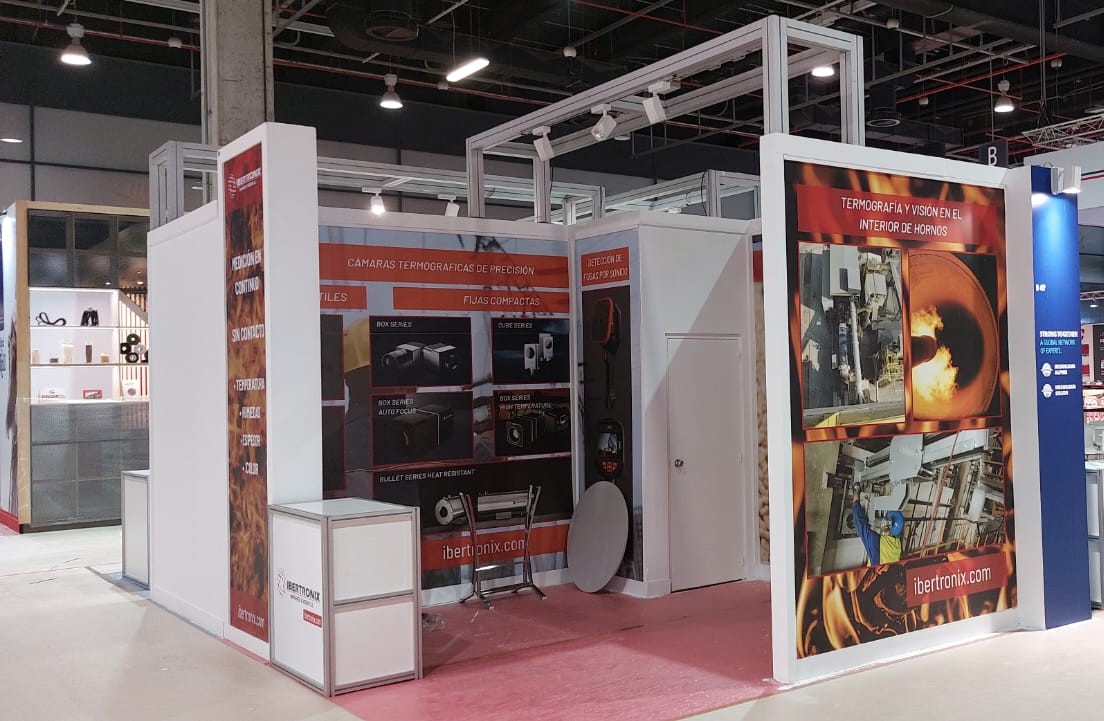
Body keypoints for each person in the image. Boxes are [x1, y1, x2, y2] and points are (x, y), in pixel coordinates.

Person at [852, 493, 904, 566]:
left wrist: (856, 497)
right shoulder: (897, 545)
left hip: (876, 569)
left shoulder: (875, 541)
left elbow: (860, 524)